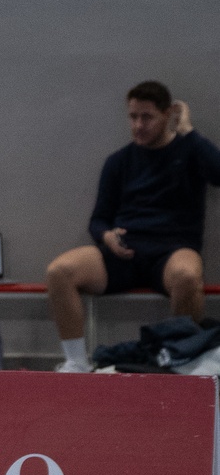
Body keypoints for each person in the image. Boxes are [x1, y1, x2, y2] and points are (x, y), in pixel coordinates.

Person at [45, 81, 220, 371]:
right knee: (59, 272)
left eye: (147, 117)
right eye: (133, 117)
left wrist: (188, 131)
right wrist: (106, 236)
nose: (138, 125)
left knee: (188, 276)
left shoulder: (189, 152)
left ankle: (180, 359)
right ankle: (76, 363)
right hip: (124, 252)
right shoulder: (119, 161)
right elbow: (99, 218)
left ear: (167, 115)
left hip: (171, 251)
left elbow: (218, 173)